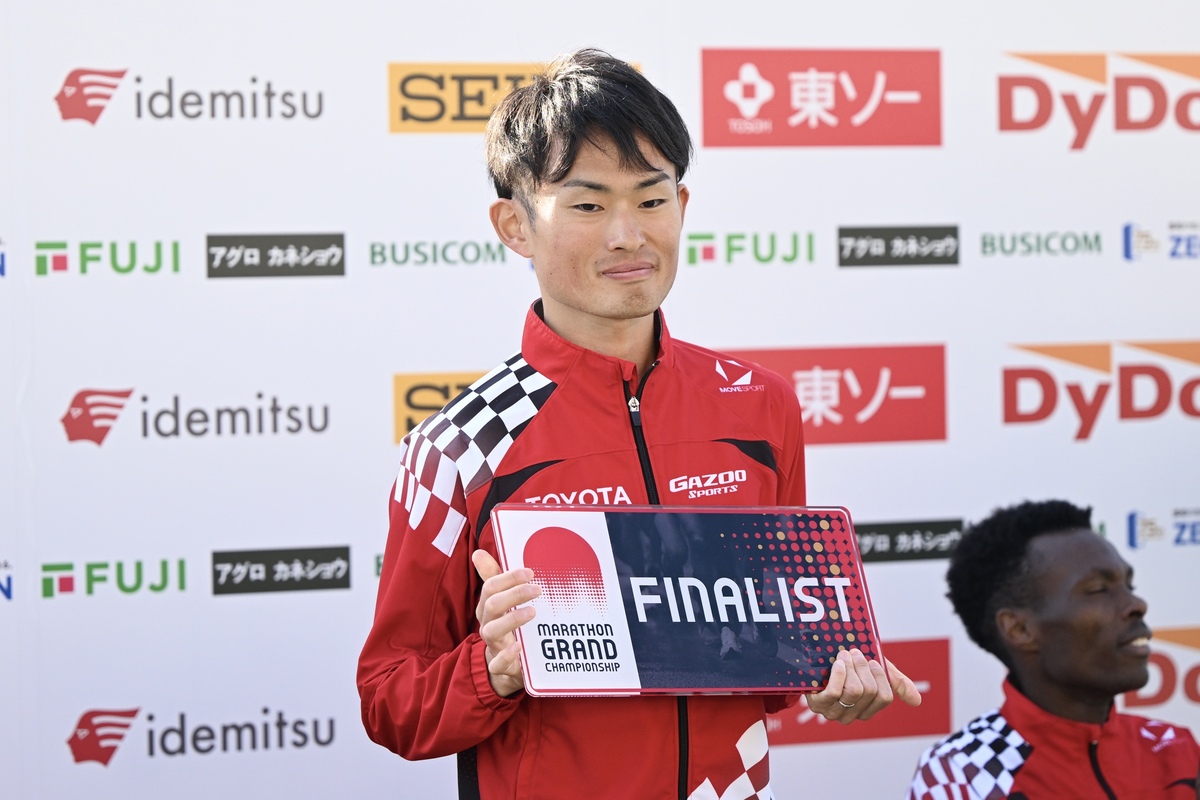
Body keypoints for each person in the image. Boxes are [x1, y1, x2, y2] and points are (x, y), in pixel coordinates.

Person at [358, 48, 920, 800]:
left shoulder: (760, 405)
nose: (628, 235)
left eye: (651, 200)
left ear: (681, 206)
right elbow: (390, 703)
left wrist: (830, 673)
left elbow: (770, 658)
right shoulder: (459, 447)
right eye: (588, 206)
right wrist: (492, 669)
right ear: (514, 225)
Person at [908, 499, 1200, 799]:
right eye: (1098, 590)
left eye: (1129, 586)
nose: (1137, 604)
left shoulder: (1176, 750)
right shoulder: (964, 775)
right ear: (1019, 630)